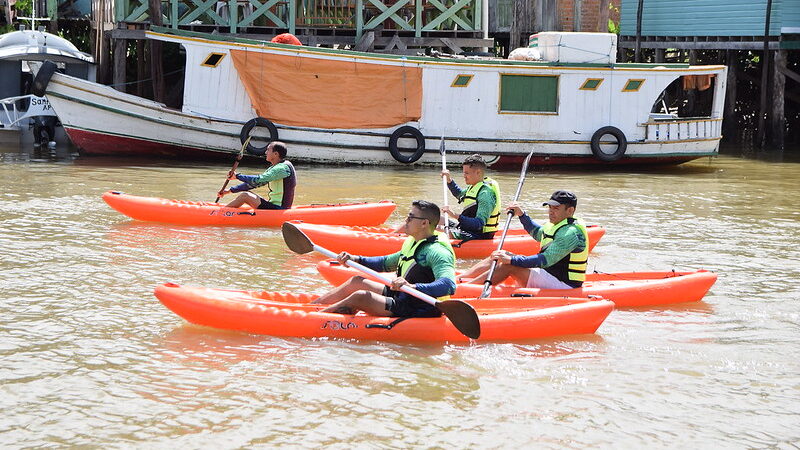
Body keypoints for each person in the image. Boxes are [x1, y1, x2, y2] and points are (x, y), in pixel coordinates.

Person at [313, 200, 456, 317]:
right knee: (356, 282)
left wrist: (413, 287)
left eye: (411, 217)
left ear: (424, 223)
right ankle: (313, 307)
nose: (405, 220)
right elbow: (385, 263)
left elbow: (449, 285)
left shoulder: (437, 251)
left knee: (361, 296)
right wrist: (355, 259)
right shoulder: (414, 242)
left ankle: (315, 319)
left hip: (420, 307)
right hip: (404, 295)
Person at [460, 190, 589, 290]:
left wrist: (512, 260)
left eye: (556, 208)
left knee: (509, 265)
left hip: (564, 284)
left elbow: (545, 260)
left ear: (570, 210)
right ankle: (459, 280)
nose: (550, 212)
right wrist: (522, 215)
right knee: (499, 254)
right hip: (548, 275)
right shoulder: (556, 225)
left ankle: (465, 290)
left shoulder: (571, 233)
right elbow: (537, 233)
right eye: (550, 207)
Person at [219, 141, 296, 210]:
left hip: (279, 208)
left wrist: (238, 176)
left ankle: (221, 213)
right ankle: (226, 210)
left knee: (245, 196)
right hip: (274, 205)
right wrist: (229, 191)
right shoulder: (275, 167)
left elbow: (259, 179)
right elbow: (255, 183)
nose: (265, 152)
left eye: (268, 150)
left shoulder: (282, 168)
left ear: (276, 154)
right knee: (247, 194)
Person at [441, 154, 501, 240]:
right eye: (464, 172)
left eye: (466, 173)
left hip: (479, 235)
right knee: (435, 218)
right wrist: (449, 180)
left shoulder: (485, 194)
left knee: (438, 230)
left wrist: (455, 215)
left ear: (478, 172)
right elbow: (459, 194)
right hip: (466, 229)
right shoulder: (473, 187)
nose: (464, 175)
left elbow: (479, 224)